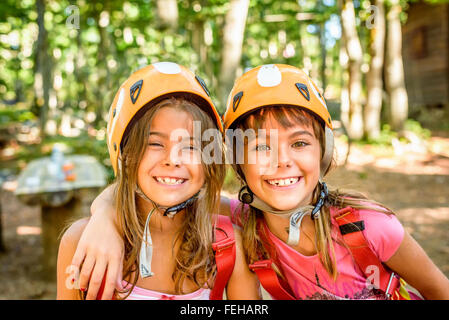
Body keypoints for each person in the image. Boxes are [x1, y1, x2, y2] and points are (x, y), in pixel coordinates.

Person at [70, 64, 449, 300]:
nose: (281, 161)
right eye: (260, 148)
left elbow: (438, 291)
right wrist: (104, 215)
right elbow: (164, 190)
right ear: (237, 163)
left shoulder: (370, 228)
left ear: (324, 152)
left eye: (299, 143)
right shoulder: (245, 224)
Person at [56, 62, 260, 300]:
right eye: (154, 143)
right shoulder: (81, 242)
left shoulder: (228, 244)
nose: (172, 160)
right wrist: (104, 214)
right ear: (125, 154)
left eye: (191, 146)